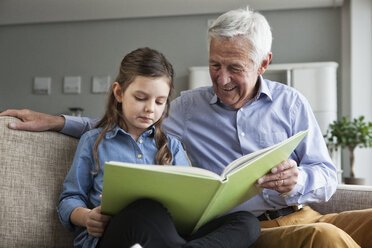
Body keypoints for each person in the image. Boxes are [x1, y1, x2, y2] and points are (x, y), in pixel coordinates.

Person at [1, 7, 372, 248]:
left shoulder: (291, 102)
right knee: (324, 238)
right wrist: (56, 121)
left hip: (302, 212)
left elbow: (325, 172)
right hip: (260, 230)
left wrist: (300, 181)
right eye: (215, 65)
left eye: (235, 68)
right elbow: (126, 122)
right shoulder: (187, 109)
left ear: (263, 63)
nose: (221, 79)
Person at [54, 47, 260, 248]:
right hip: (119, 233)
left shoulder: (173, 146)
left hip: (170, 234)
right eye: (140, 98)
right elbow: (69, 199)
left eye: (160, 102)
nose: (150, 109)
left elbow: (189, 199)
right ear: (119, 93)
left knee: (247, 223)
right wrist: (86, 216)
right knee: (144, 209)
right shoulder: (94, 142)